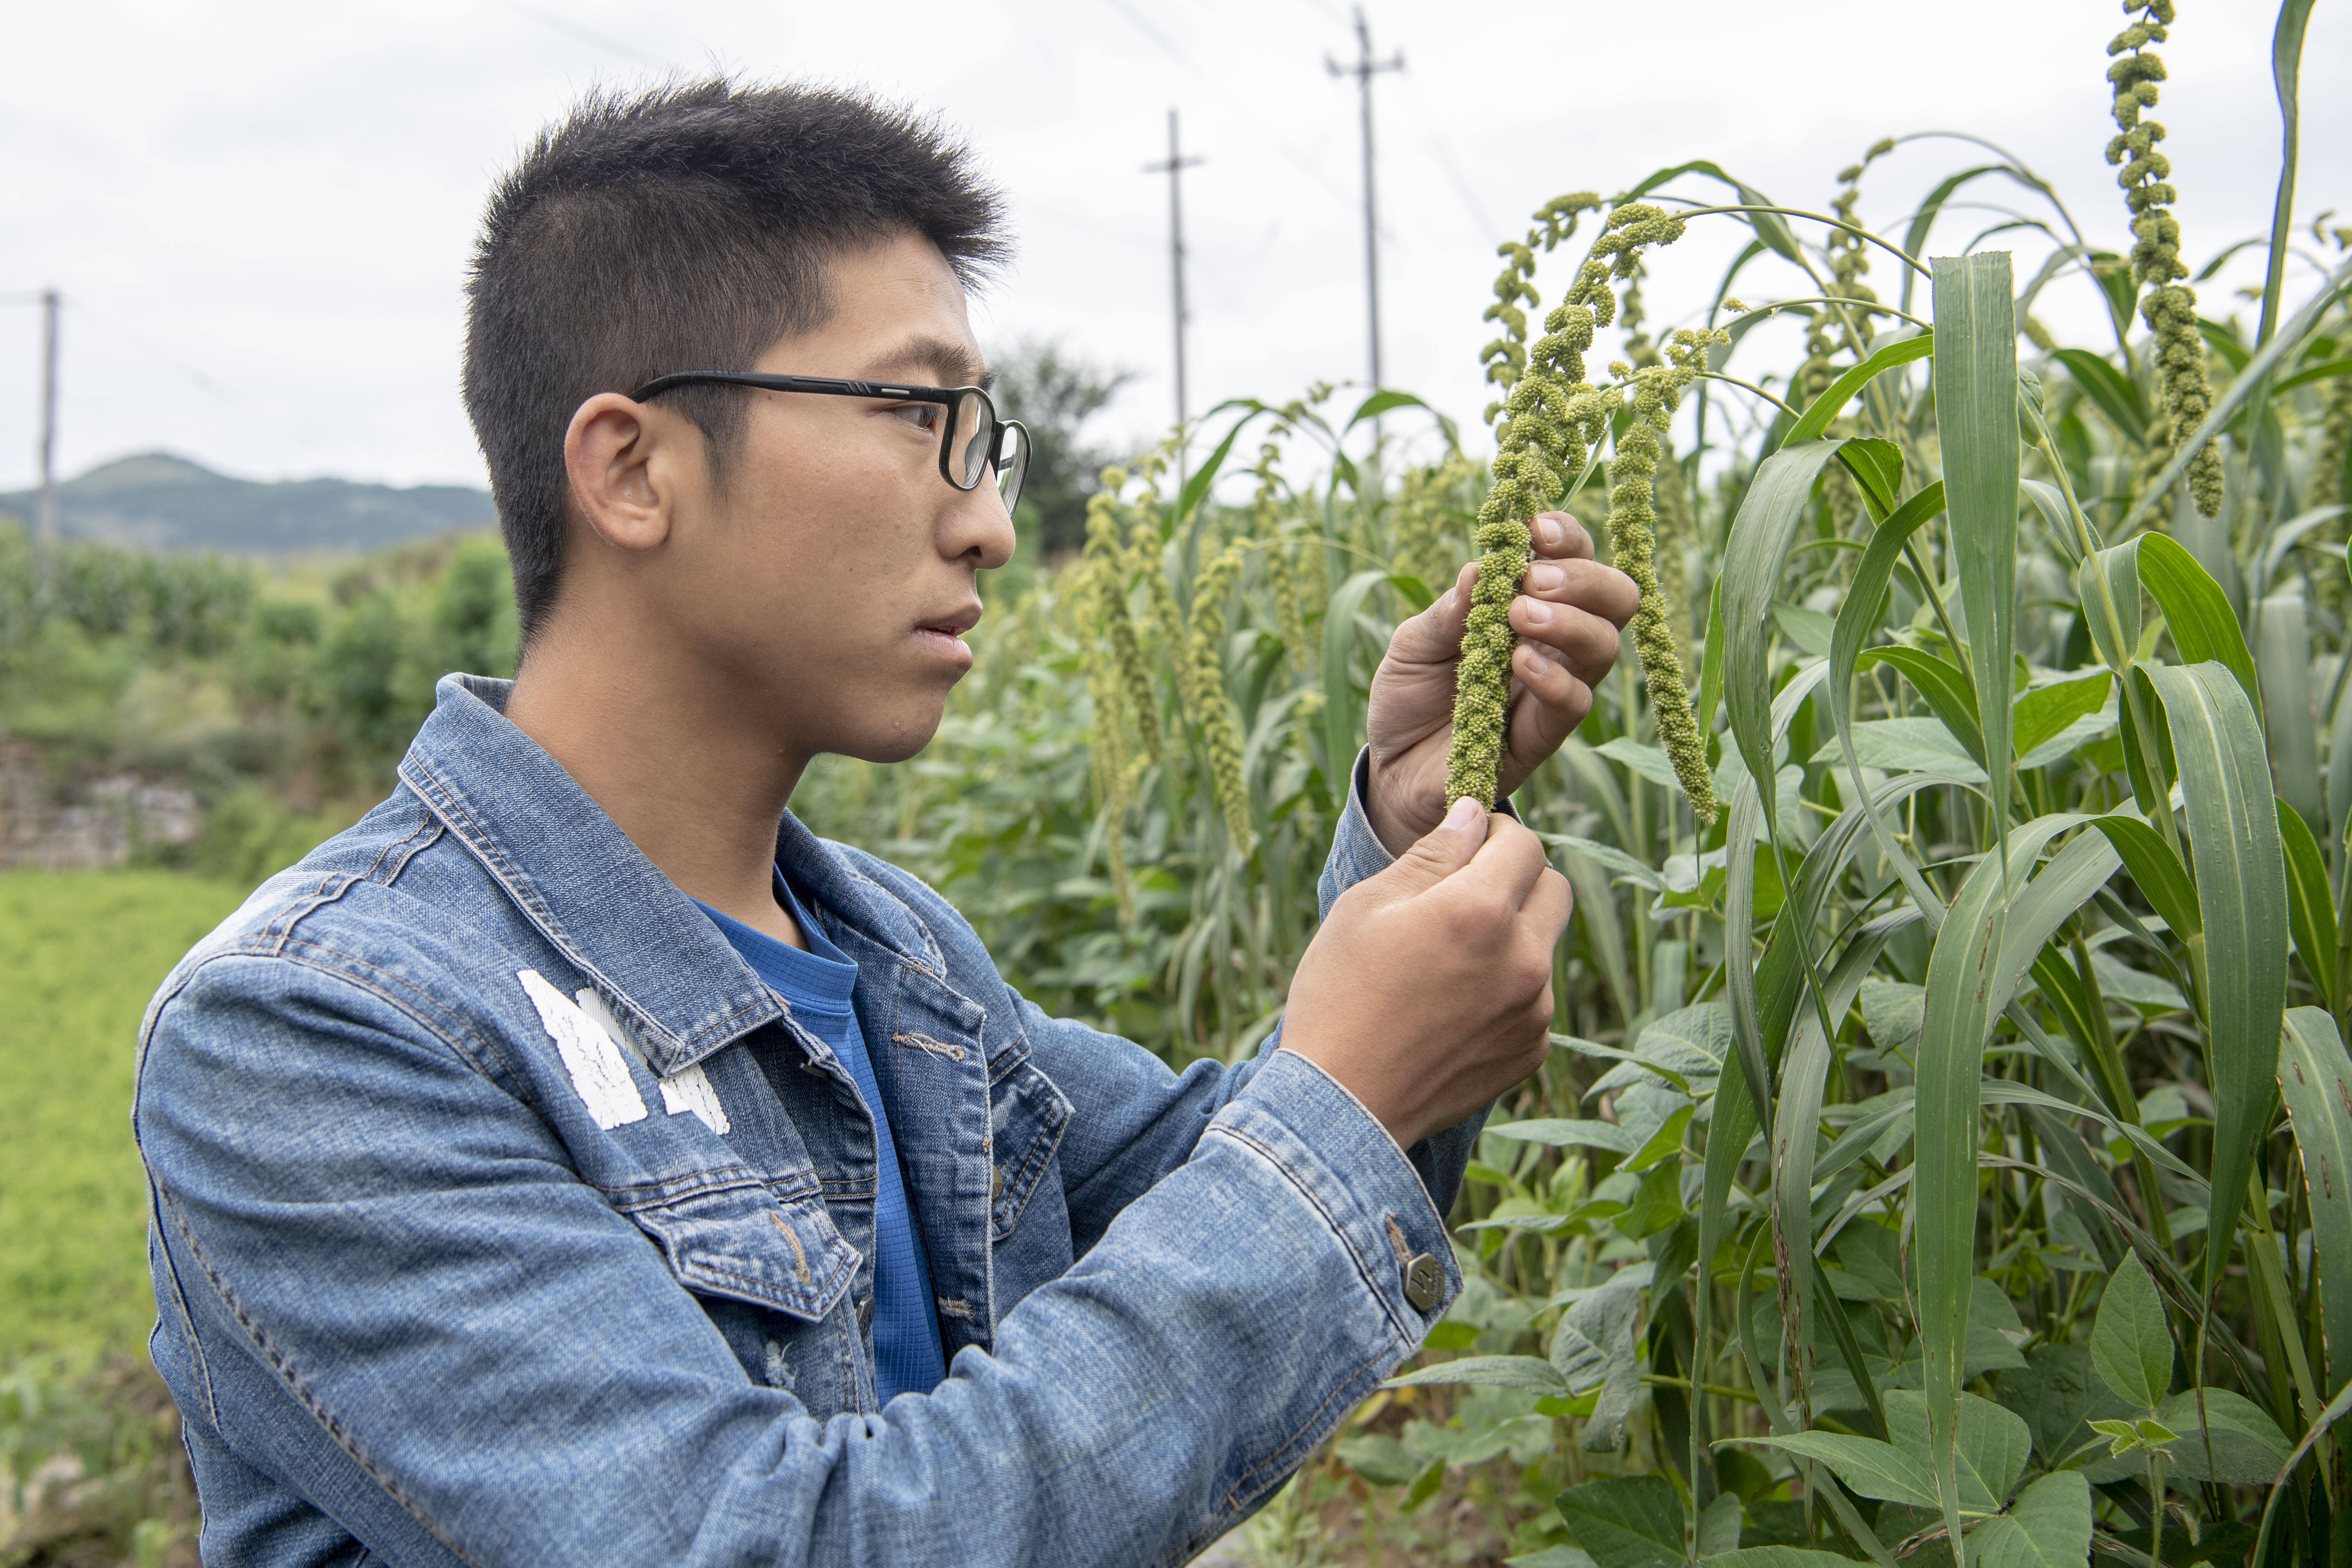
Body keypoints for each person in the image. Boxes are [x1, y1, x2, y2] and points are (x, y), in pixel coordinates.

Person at [134, 79, 1638, 1566]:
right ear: (632, 468)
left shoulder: (891, 952)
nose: (986, 519)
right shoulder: (310, 1035)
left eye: (984, 439)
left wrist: (1406, 826)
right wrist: (1346, 1099)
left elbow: (1233, 1175)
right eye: (919, 413)